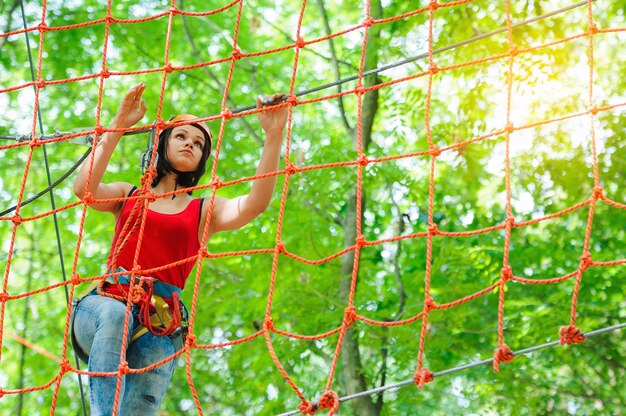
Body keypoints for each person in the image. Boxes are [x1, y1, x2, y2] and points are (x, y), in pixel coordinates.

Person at [71, 83, 288, 415]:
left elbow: (255, 204)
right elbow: (84, 190)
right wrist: (118, 125)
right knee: (116, 316)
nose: (190, 144)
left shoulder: (203, 211)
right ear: (162, 144)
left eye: (198, 143)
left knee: (140, 405)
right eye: (181, 137)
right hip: (104, 309)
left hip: (158, 321)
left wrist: (273, 136)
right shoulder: (129, 195)